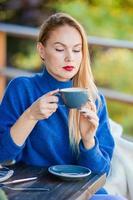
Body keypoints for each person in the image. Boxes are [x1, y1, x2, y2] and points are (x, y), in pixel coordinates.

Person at [0, 13, 126, 200]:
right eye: (60, 49)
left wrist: (88, 140)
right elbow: (2, 155)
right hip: (35, 191)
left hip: (83, 195)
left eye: (77, 50)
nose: (70, 58)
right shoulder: (22, 89)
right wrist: (30, 116)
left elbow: (100, 174)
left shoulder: (94, 99)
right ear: (42, 51)